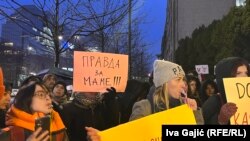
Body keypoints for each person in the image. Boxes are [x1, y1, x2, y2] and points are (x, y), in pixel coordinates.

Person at [129, 60, 203, 124]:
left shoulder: (185, 106)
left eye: (183, 80)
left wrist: (195, 113)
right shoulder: (144, 108)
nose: (183, 84)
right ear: (164, 83)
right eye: (178, 79)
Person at [3, 81, 68, 141]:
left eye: (49, 95)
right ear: (26, 98)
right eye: (41, 95)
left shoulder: (55, 124)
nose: (48, 98)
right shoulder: (8, 134)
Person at [202, 57, 249, 124]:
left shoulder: (247, 98)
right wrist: (221, 120)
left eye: (246, 73)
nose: (245, 77)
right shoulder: (213, 102)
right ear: (225, 75)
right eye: (238, 73)